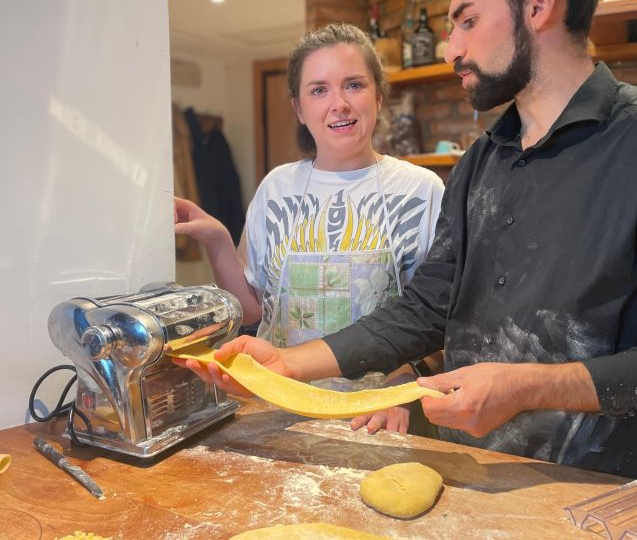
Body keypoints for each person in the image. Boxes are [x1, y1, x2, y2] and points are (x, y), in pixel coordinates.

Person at [178, 0, 637, 485]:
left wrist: (532, 386)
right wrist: (290, 362)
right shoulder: (481, 162)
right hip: (468, 476)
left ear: (539, 5)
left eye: (467, 21)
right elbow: (425, 309)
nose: (451, 49)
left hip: (602, 492)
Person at [174, 23, 445, 405]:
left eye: (354, 84)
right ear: (299, 109)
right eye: (319, 90)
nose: (339, 103)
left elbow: (436, 318)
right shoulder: (277, 188)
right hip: (277, 399)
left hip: (376, 410)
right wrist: (217, 239)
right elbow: (252, 308)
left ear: (379, 96)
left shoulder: (421, 190)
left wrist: (400, 389)